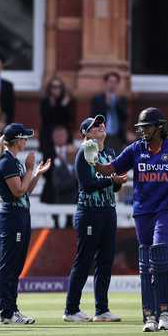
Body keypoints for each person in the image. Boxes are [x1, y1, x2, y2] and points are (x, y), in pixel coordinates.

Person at [87, 107, 168, 332]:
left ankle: (165, 312)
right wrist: (93, 162)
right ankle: (150, 315)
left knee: (160, 253)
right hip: (143, 211)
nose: (143, 131)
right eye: (140, 128)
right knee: (146, 262)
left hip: (167, 210)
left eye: (146, 127)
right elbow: (112, 168)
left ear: (159, 127)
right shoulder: (136, 149)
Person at [63, 115, 126, 323]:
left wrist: (116, 182)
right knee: (84, 261)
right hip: (90, 212)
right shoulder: (83, 152)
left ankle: (102, 310)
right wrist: (111, 180)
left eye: (102, 124)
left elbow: (114, 186)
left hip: (108, 210)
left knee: (106, 261)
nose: (100, 126)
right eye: (94, 126)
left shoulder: (109, 152)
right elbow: (88, 184)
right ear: (86, 133)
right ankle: (71, 310)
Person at [0, 123, 50, 325]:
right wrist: (31, 168)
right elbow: (17, 191)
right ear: (17, 140)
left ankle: (12, 310)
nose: (27, 141)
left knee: (16, 264)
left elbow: (25, 190)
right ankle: (7, 312)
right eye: (25, 138)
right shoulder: (7, 162)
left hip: (21, 214)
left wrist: (37, 173)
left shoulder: (14, 161)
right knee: (9, 264)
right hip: (12, 216)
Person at [40, 125, 79, 228]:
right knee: (54, 224)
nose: (60, 138)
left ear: (66, 136)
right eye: (57, 136)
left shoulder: (74, 151)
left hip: (72, 193)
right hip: (53, 192)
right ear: (53, 137)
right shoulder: (48, 153)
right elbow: (44, 173)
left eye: (62, 135)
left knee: (70, 223)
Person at [90, 72, 128, 154]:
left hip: (117, 136)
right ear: (105, 83)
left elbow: (125, 117)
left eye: (115, 82)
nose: (112, 85)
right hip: (102, 136)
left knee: (116, 160)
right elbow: (94, 118)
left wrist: (116, 103)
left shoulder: (121, 100)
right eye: (110, 82)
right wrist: (106, 105)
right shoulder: (98, 99)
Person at [39, 77, 74, 157]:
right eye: (53, 87)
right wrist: (53, 106)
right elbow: (45, 118)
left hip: (64, 134)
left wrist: (63, 105)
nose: (56, 89)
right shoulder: (46, 101)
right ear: (50, 88)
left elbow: (69, 119)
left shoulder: (66, 101)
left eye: (58, 87)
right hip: (48, 136)